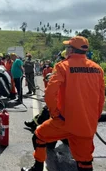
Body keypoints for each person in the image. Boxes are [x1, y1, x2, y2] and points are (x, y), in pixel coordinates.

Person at [21, 36, 105, 171]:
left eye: (68, 47)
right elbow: (101, 98)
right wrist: (93, 119)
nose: (66, 49)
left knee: (39, 136)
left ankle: (37, 169)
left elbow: (49, 93)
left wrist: (55, 114)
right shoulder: (98, 69)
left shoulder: (63, 66)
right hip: (86, 125)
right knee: (85, 162)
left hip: (64, 121)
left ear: (71, 50)